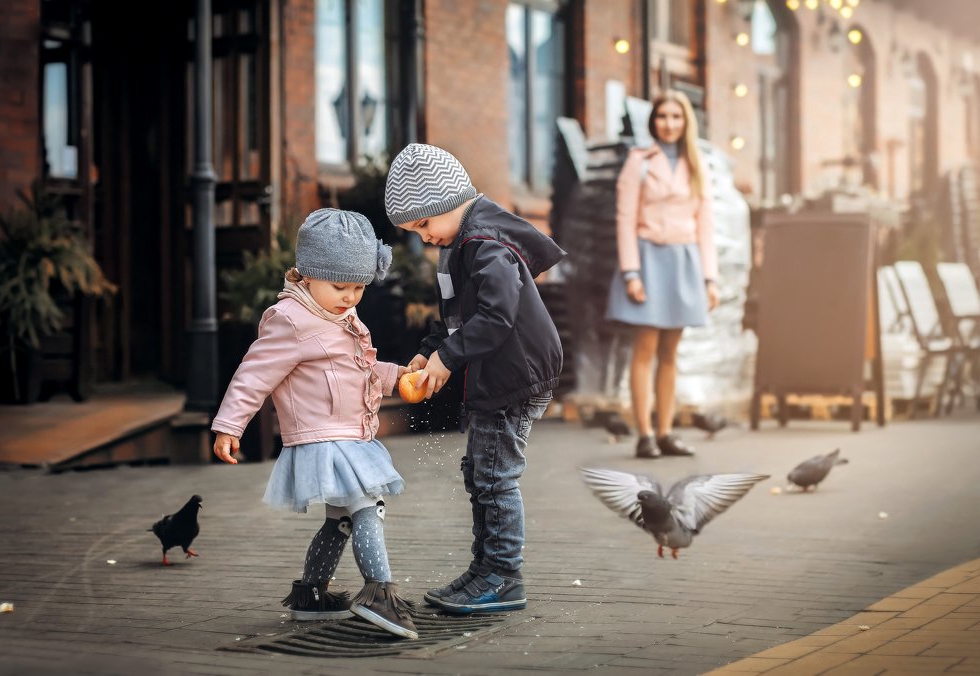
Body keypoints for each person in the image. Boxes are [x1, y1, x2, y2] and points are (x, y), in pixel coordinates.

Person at [211, 208, 417, 640]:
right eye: (340, 286)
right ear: (307, 275)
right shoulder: (290, 320)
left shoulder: (342, 316)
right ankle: (379, 594)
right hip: (323, 438)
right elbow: (254, 373)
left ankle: (312, 594)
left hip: (349, 437)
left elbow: (361, 368)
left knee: (340, 519)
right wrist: (230, 425)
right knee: (367, 508)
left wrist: (399, 376)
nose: (350, 297)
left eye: (359, 287)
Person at [384, 143, 565, 614]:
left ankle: (504, 576)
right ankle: (485, 570)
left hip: (516, 375)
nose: (423, 238)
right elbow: (454, 319)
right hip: (496, 375)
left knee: (495, 477)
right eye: (413, 231)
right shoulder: (457, 244)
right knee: (481, 473)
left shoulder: (484, 243)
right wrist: (429, 354)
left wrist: (447, 358)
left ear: (449, 203)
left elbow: (495, 316)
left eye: (424, 225)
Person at [606, 89, 720, 460]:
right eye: (662, 116)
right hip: (648, 259)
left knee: (671, 352)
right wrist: (631, 272)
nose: (668, 124)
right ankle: (645, 434)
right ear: (652, 121)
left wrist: (710, 278)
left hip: (685, 261)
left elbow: (706, 224)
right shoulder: (638, 161)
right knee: (646, 348)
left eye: (676, 117)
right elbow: (624, 219)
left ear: (686, 122)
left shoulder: (696, 163)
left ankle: (667, 432)